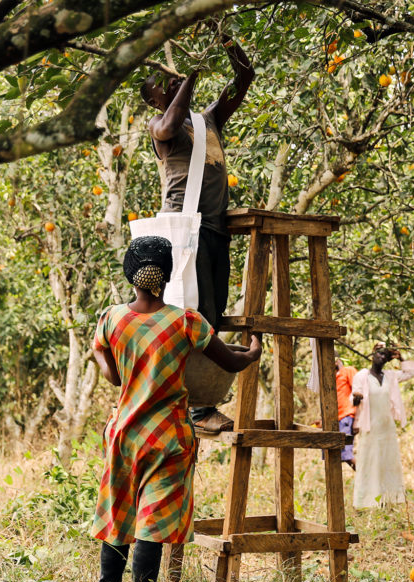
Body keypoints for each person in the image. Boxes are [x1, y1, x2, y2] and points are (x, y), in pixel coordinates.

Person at [91, 236, 261, 582]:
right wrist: (252, 352)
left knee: (120, 519)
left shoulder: (112, 318)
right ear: (166, 277)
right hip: (168, 438)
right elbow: (231, 362)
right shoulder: (185, 322)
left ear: (129, 276)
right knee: (151, 525)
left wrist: (111, 368)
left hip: (124, 436)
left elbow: (103, 356)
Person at [141, 30, 254, 435]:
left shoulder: (208, 121)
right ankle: (197, 410)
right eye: (162, 81)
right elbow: (171, 121)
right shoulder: (161, 124)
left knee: (213, 314)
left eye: (176, 76)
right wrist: (190, 72)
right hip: (183, 230)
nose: (172, 80)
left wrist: (221, 37)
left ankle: (198, 400)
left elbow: (245, 76)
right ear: (152, 98)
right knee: (193, 315)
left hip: (214, 229)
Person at [350, 343, 414, 508]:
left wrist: (401, 357)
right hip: (369, 426)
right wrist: (357, 398)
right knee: (368, 462)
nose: (381, 357)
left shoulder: (390, 376)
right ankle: (365, 501)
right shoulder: (362, 376)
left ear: (387, 360)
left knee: (388, 462)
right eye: (379, 354)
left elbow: (411, 372)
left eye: (384, 356)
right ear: (372, 355)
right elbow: (353, 398)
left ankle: (390, 498)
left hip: (386, 427)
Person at [335, 358, 358, 470]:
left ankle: (368, 478)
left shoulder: (348, 371)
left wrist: (357, 419)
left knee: (346, 454)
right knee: (337, 454)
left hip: (347, 416)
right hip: (336, 419)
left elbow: (358, 392)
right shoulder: (332, 378)